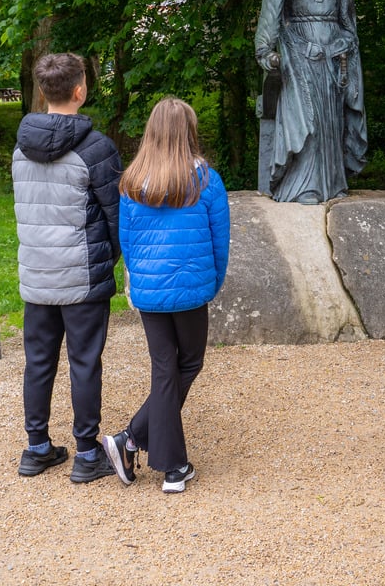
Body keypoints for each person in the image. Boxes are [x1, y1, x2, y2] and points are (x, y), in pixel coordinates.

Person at [103, 97, 230, 493]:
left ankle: (131, 440)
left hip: (150, 291)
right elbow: (220, 240)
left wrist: (136, 281)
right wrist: (212, 282)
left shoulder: (130, 181)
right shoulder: (205, 179)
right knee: (188, 364)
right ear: (188, 131)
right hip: (191, 291)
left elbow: (126, 239)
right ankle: (171, 466)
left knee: (165, 369)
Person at [11, 53, 123, 483]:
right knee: (84, 362)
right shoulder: (96, 148)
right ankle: (86, 453)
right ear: (81, 90)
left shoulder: (21, 147)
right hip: (81, 276)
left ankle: (36, 448)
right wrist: (108, 261)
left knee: (38, 362)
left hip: (37, 274)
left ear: (43, 92)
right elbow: (116, 218)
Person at [253, 0, 367, 204]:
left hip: (334, 52)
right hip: (297, 49)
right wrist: (265, 51)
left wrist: (345, 42)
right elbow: (271, 11)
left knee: (332, 119)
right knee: (308, 120)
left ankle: (331, 182)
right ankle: (303, 185)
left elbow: (348, 18)